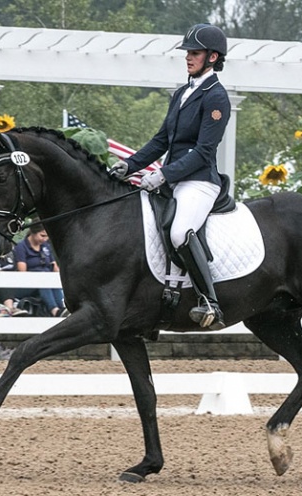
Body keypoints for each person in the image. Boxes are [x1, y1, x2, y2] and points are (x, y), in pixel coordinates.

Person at [108, 23, 230, 330]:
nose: (188, 57)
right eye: (188, 52)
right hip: (173, 178)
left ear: (212, 57)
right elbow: (161, 140)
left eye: (195, 53)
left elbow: (203, 152)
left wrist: (162, 174)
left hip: (199, 181)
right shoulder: (181, 93)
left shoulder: (216, 97)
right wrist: (129, 165)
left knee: (179, 233)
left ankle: (210, 302)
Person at [13, 223, 67, 317]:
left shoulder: (46, 246)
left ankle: (62, 307)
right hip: (30, 283)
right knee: (43, 278)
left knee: (50, 279)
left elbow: (54, 267)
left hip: (47, 279)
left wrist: (54, 268)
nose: (45, 239)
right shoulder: (21, 247)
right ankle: (54, 310)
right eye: (42, 236)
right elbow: (22, 272)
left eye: (46, 236)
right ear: (33, 233)